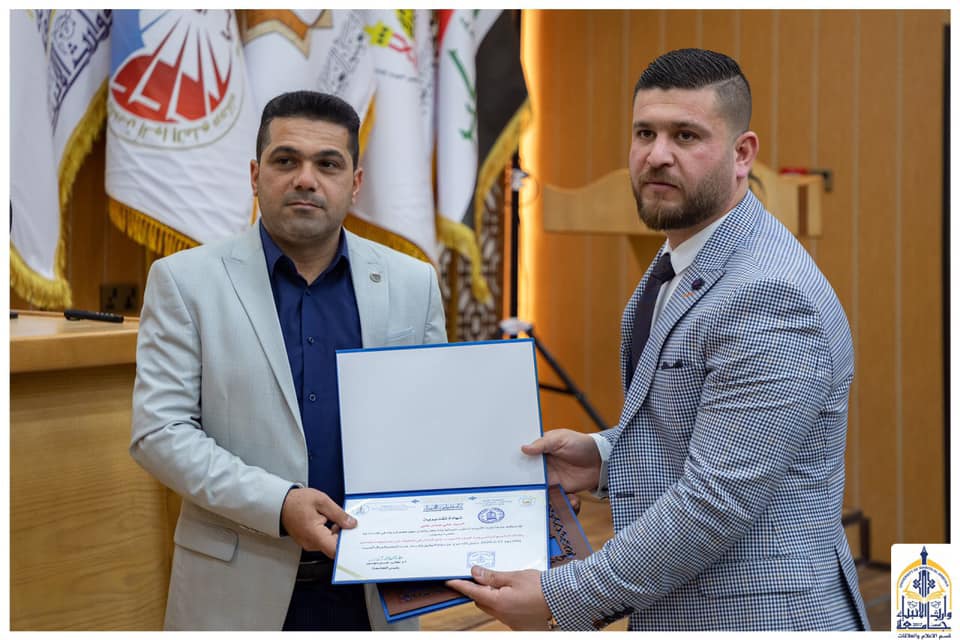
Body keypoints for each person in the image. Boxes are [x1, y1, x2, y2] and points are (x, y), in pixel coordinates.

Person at [448, 48, 870, 631]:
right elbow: (701, 431)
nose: (657, 155)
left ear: (742, 154)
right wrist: (601, 456)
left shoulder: (769, 294)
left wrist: (560, 598)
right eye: (644, 133)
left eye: (686, 136)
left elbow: (714, 502)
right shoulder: (686, 253)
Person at [130, 91, 446, 631]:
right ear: (255, 175)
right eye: (285, 160)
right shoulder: (184, 282)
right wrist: (280, 504)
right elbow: (160, 433)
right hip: (235, 591)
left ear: (356, 182)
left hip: (374, 591)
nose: (305, 179)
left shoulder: (413, 284)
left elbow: (434, 426)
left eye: (328, 164)